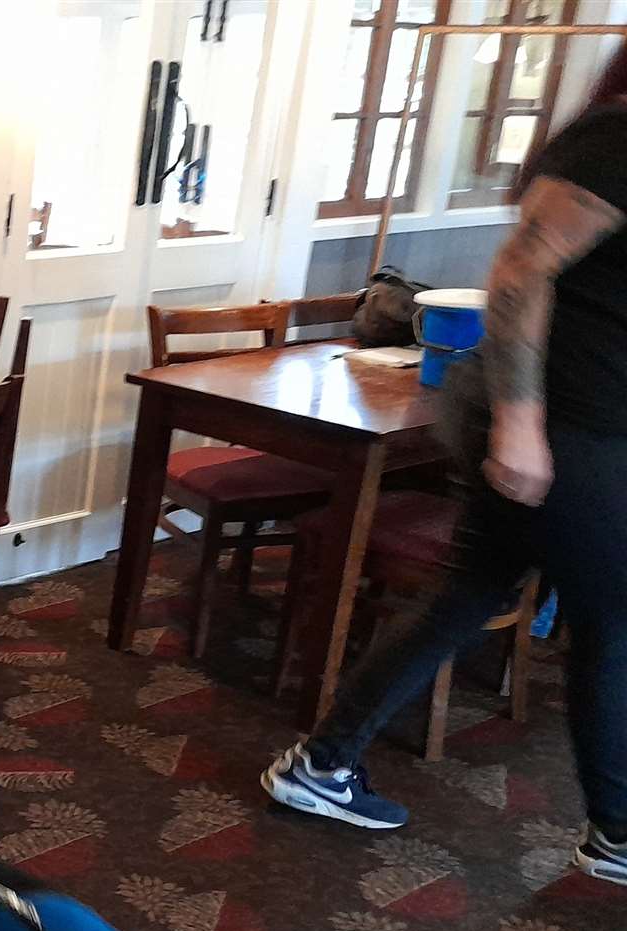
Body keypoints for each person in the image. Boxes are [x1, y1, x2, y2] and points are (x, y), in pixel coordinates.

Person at [262, 51, 627, 887]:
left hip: (582, 428)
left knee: (467, 596)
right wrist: (522, 425)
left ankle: (322, 764)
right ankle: (617, 832)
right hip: (564, 426)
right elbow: (519, 269)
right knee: (614, 627)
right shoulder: (616, 138)